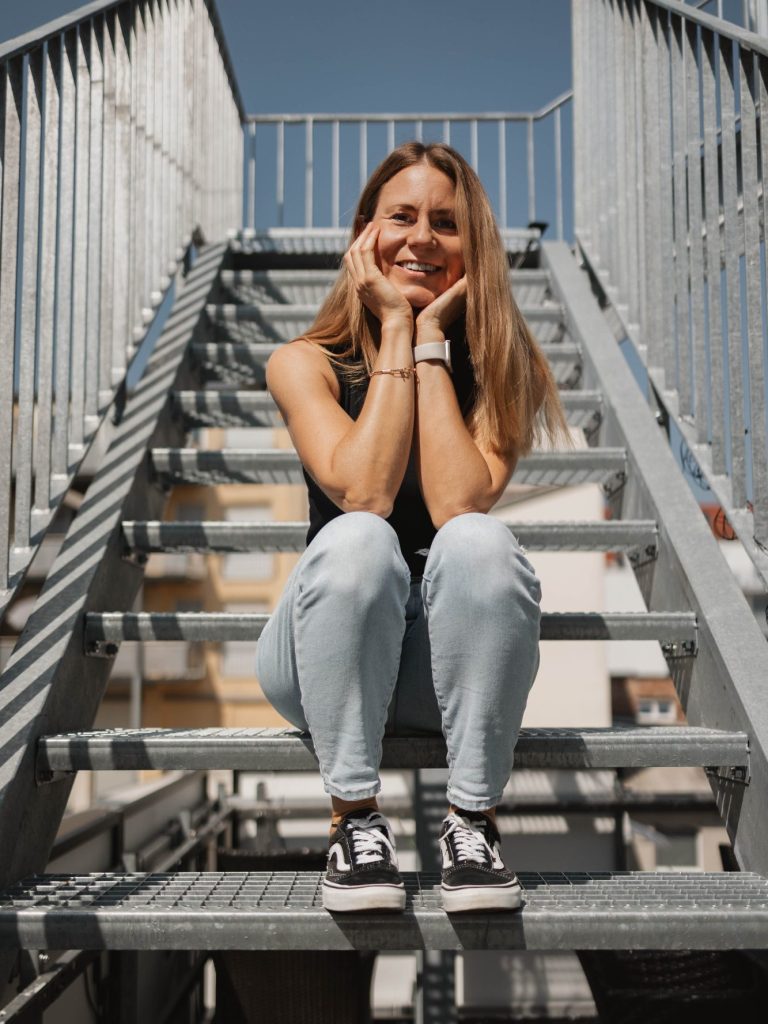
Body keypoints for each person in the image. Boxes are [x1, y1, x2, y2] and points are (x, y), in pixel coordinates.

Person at [256, 141, 567, 913]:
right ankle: (354, 822)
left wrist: (431, 343)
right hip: (325, 655)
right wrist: (395, 325)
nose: (422, 238)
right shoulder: (305, 361)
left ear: (475, 248)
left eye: (447, 223)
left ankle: (471, 825)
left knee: (478, 542)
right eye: (401, 217)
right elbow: (364, 489)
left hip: (440, 669)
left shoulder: (506, 368)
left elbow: (461, 503)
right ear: (365, 235)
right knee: (363, 536)